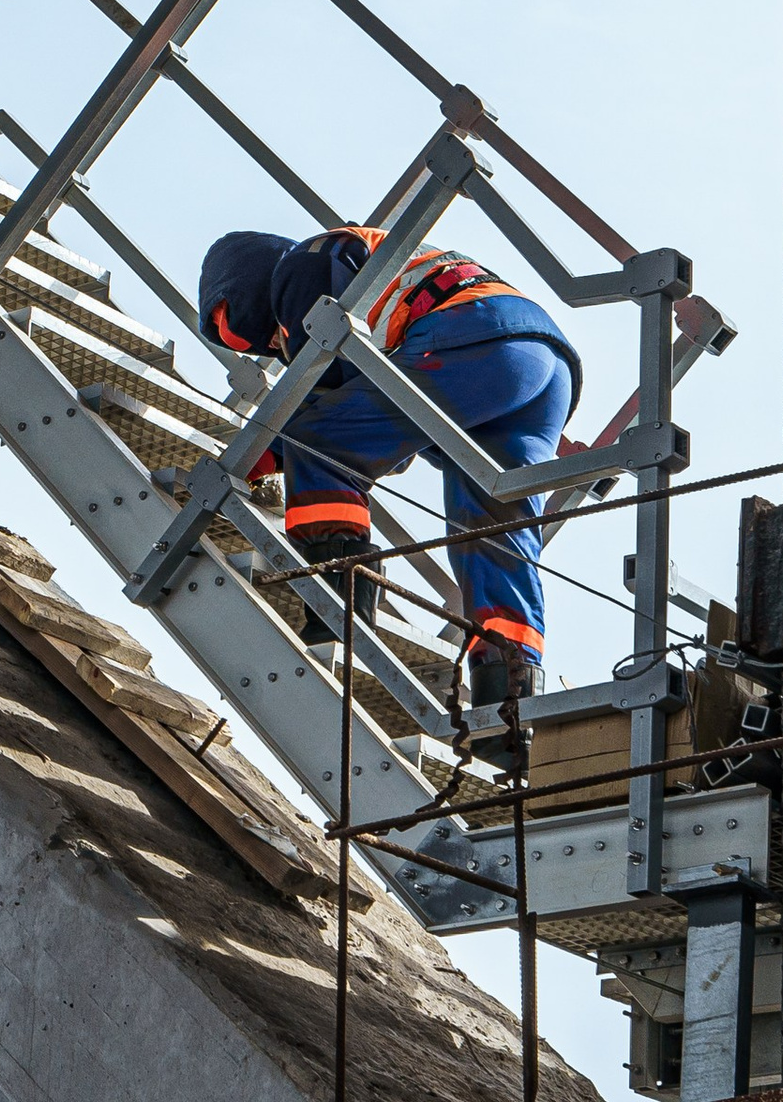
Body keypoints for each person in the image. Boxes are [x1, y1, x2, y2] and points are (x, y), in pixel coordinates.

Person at [198, 224, 581, 755]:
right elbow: (368, 419)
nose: (271, 346)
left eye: (255, 335)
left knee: (317, 442)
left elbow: (327, 401)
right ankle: (507, 706)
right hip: (542, 366)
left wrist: (257, 454)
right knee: (493, 530)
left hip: (472, 335)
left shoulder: (301, 267)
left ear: (240, 289)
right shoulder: (354, 262)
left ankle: (341, 597)